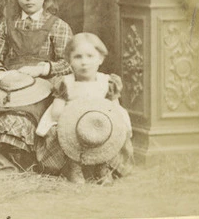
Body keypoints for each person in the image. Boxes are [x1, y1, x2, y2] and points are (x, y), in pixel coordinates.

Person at [0, 0, 74, 170]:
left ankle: (26, 160)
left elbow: (69, 63)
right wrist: (2, 75)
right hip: (11, 87)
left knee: (26, 116)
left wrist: (43, 69)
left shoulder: (58, 26)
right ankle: (5, 160)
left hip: (43, 88)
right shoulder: (7, 25)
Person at [35, 33, 134, 185]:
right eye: (78, 57)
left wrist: (114, 121)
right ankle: (73, 166)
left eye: (90, 56)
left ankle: (103, 165)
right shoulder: (66, 83)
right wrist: (71, 118)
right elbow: (56, 112)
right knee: (58, 132)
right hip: (70, 123)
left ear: (100, 59)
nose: (84, 62)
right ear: (69, 60)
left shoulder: (107, 82)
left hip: (99, 123)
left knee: (112, 129)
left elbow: (114, 108)